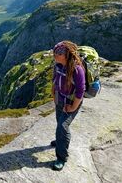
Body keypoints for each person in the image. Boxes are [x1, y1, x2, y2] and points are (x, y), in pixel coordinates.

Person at [51, 40, 85, 171]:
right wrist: (54, 94)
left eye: (58, 53)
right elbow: (55, 80)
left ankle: (61, 157)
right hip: (60, 99)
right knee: (59, 122)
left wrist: (73, 107)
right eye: (55, 51)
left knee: (62, 126)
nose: (55, 54)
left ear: (67, 55)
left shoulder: (77, 69)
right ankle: (60, 142)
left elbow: (81, 91)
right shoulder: (58, 65)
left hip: (71, 102)